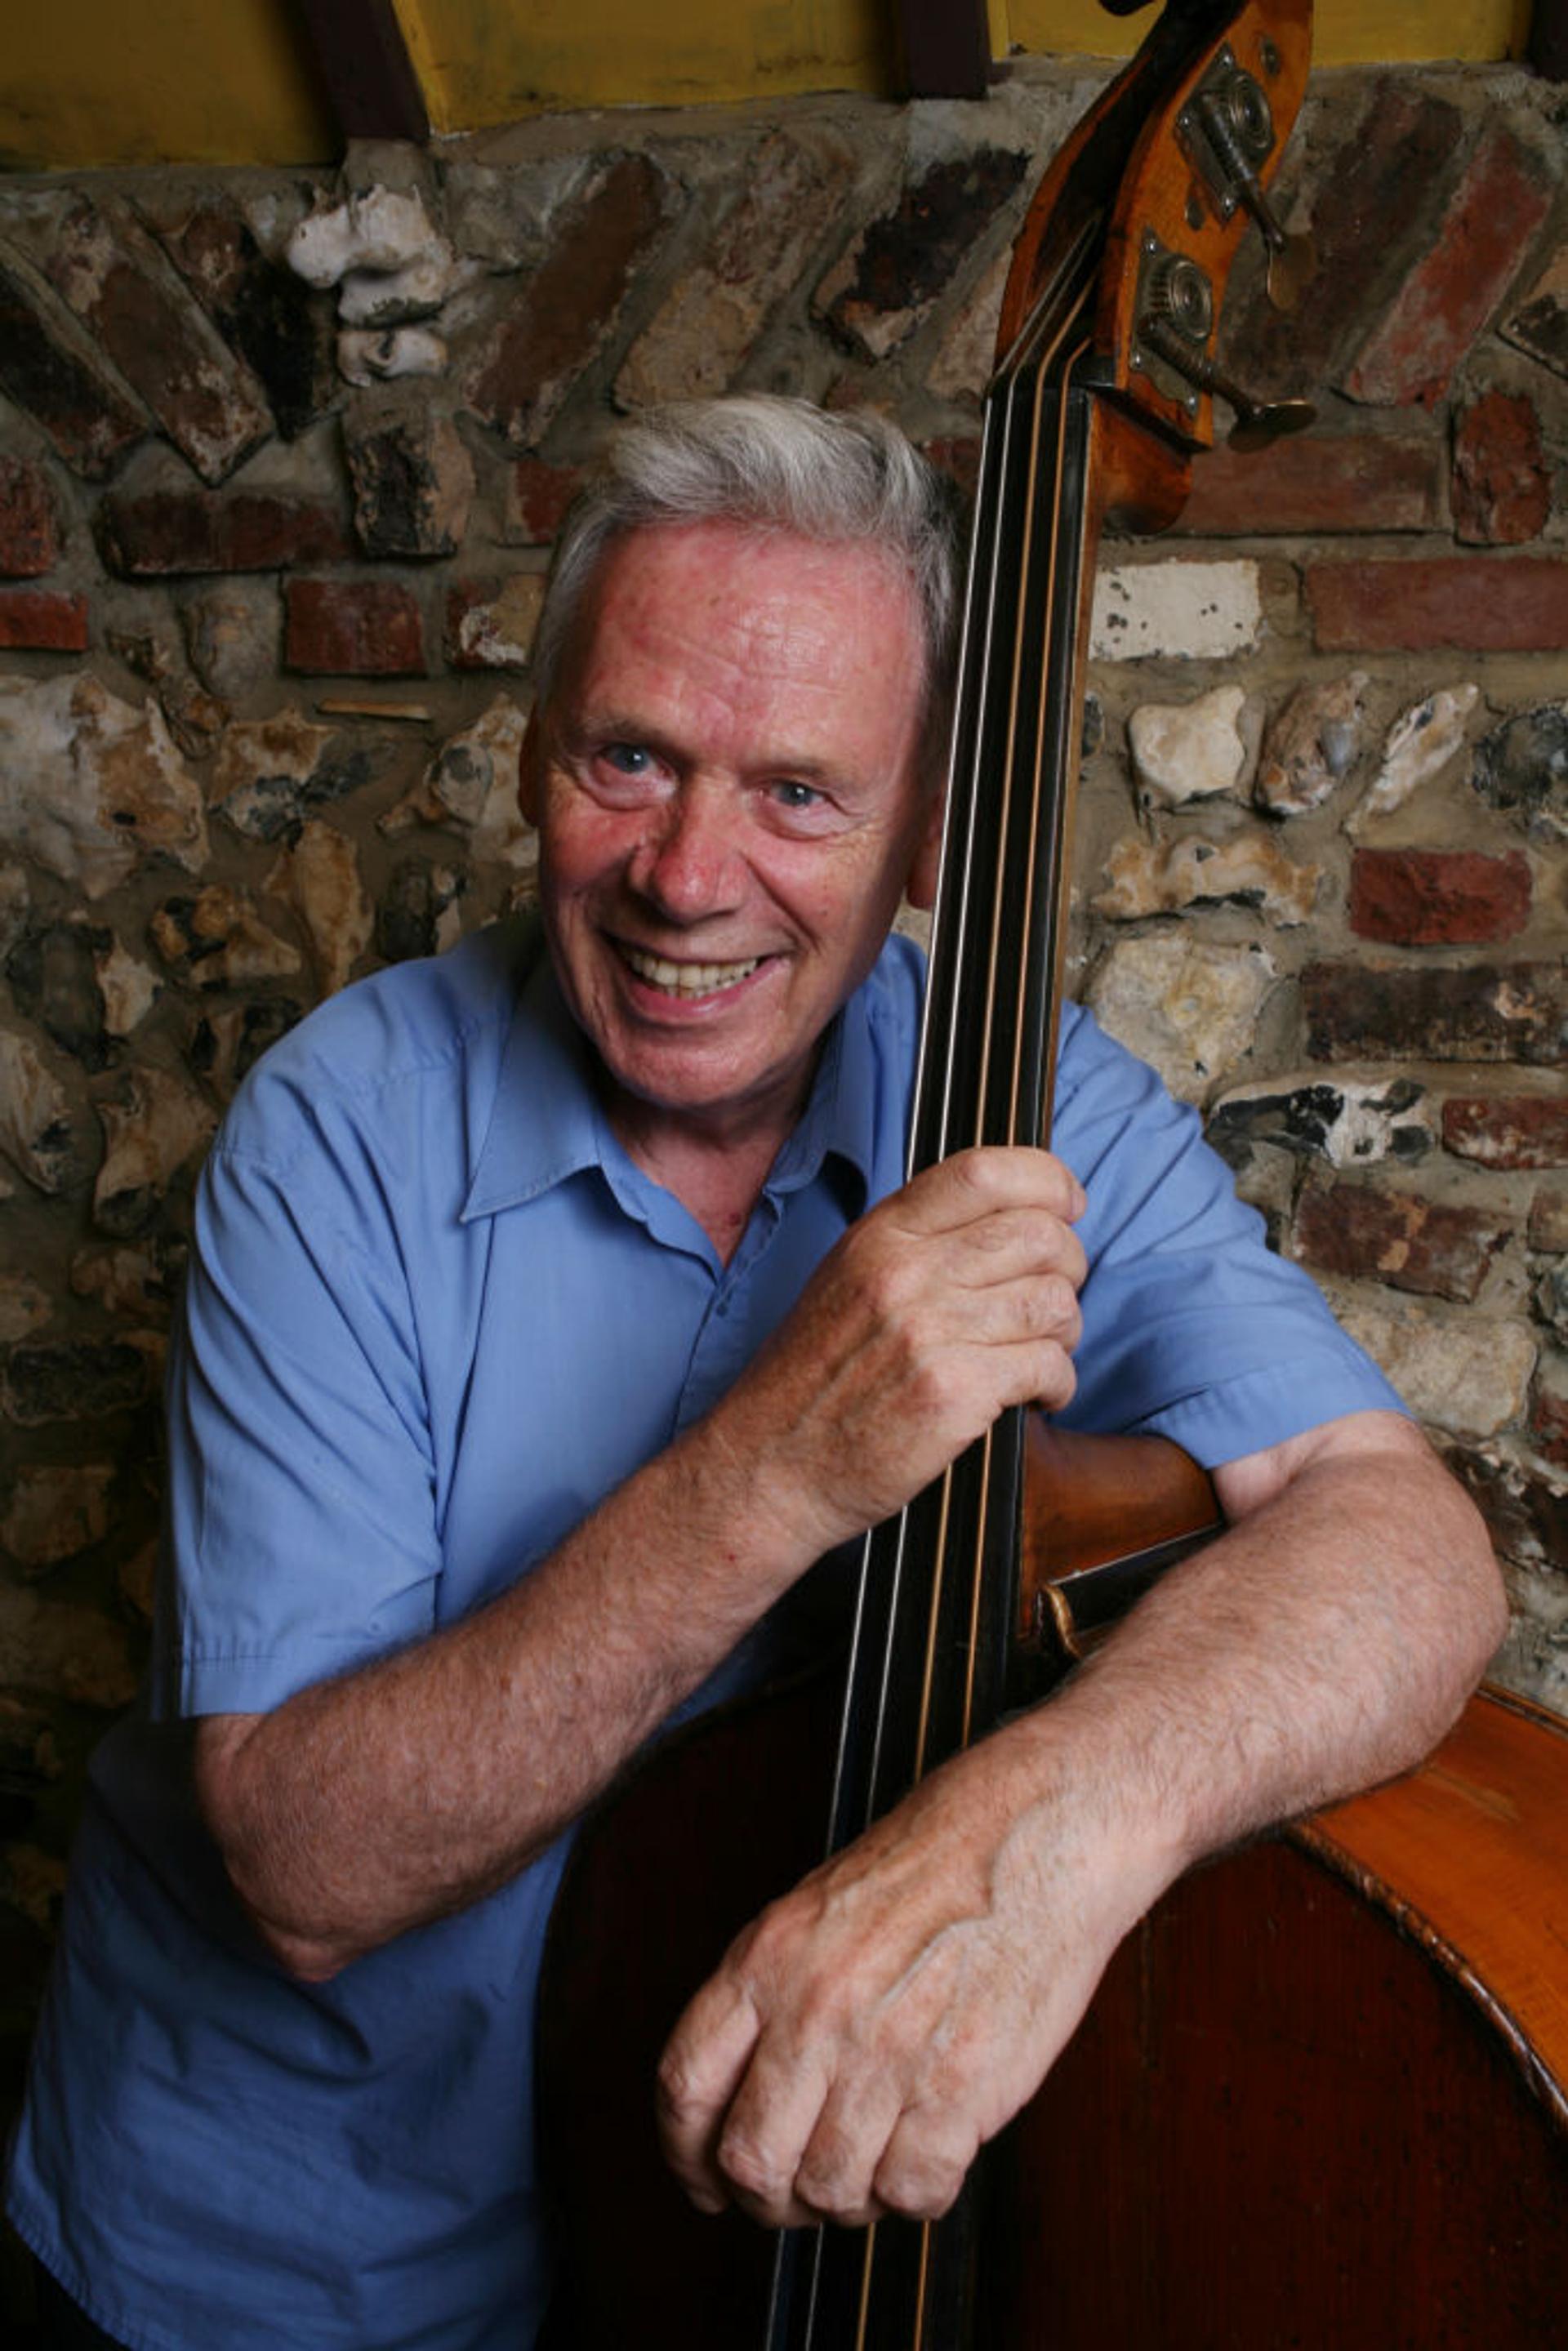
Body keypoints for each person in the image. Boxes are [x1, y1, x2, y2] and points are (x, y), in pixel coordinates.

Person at [6, 397, 1503, 2351]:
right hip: (290, 2268)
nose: (689, 876)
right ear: (535, 753)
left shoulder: (1026, 1096)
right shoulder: (336, 1136)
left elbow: (1404, 1544)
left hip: (705, 2252)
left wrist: (1048, 1841)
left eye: (800, 792)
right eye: (629, 758)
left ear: (929, 833)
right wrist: (780, 1466)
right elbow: (304, 1864)